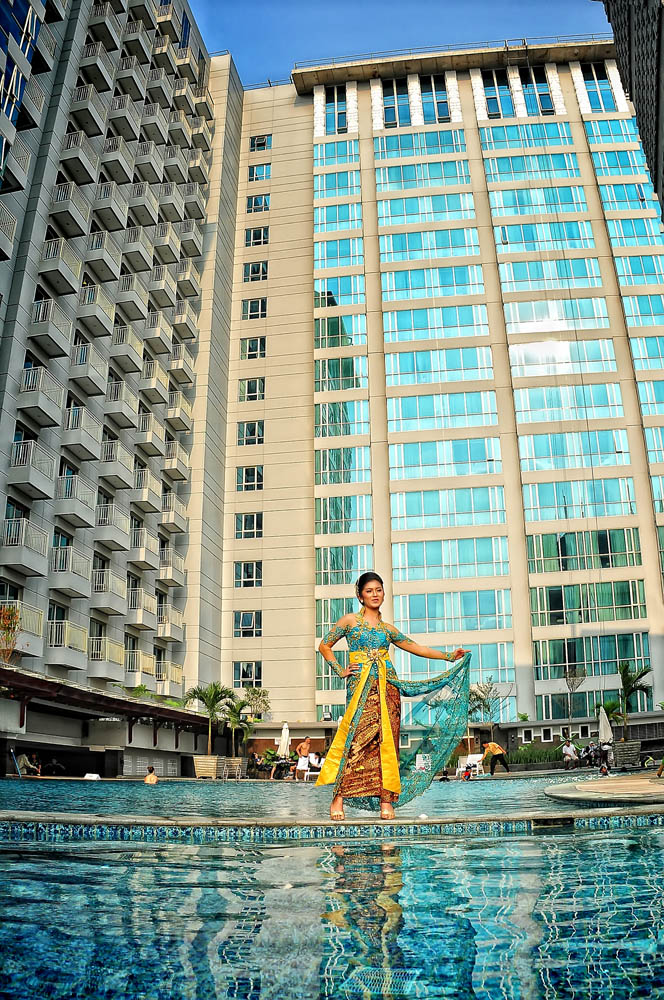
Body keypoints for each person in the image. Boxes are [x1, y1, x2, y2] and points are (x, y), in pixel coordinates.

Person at [316, 571, 470, 821]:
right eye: (369, 591)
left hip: (388, 688)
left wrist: (449, 656)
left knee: (387, 744)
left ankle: (386, 801)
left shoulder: (388, 630)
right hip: (360, 688)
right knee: (356, 742)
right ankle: (338, 798)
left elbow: (416, 647)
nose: (375, 594)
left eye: (378, 590)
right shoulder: (349, 621)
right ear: (360, 596)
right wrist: (339, 670)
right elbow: (324, 645)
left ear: (384, 593)